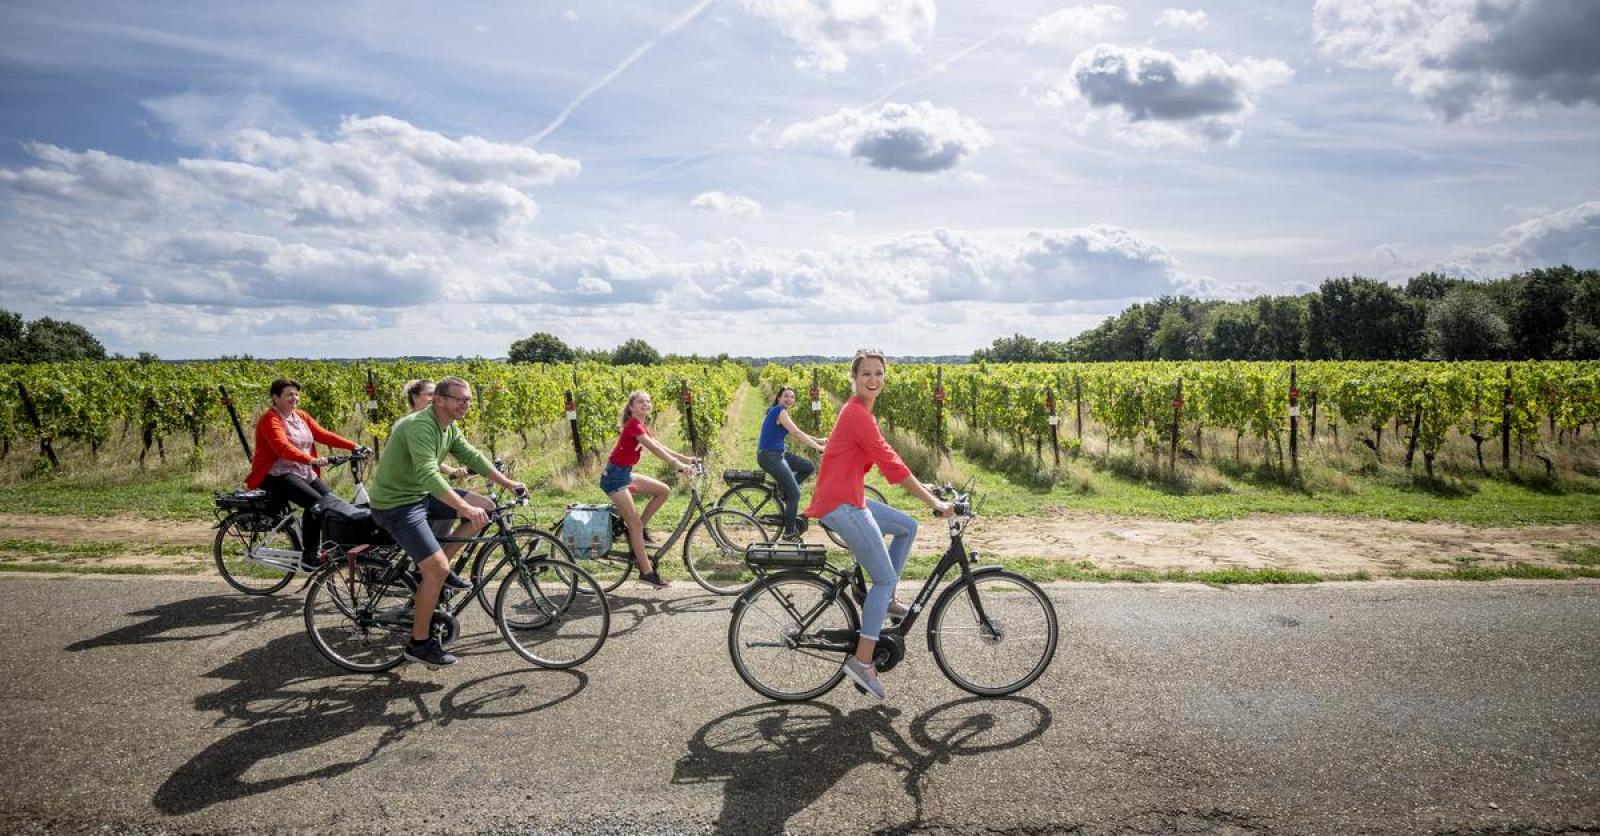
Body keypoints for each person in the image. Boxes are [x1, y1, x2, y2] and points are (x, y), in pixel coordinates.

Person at [804, 350, 952, 700]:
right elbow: (891, 463)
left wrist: (924, 488)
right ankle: (863, 661)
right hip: (842, 506)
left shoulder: (858, 411)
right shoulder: (857, 413)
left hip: (848, 497)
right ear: (854, 379)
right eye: (866, 373)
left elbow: (885, 458)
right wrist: (934, 502)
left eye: (879, 373)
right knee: (883, 578)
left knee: (907, 527)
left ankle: (883, 602)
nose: (873, 379)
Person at [368, 376, 525, 669]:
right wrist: (463, 507)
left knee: (487, 507)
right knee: (437, 568)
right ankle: (419, 644)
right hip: (396, 504)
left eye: (468, 399)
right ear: (439, 400)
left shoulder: (448, 426)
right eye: (460, 399)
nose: (466, 404)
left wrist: (508, 482)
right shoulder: (420, 426)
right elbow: (429, 474)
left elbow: (473, 457)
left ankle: (430, 574)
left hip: (419, 496)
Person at [244, 378, 361, 571]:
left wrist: (353, 446)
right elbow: (281, 447)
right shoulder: (270, 419)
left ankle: (329, 548)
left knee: (331, 503)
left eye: (296, 394)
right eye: (289, 394)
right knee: (315, 505)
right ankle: (309, 556)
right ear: (275, 397)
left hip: (302, 472)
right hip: (276, 475)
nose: (295, 398)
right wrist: (310, 459)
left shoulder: (300, 416)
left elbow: (323, 434)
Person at [603, 390, 697, 589]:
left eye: (648, 401)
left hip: (625, 473)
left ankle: (635, 532)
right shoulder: (633, 426)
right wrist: (677, 465)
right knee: (634, 523)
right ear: (631, 407)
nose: (645, 404)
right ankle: (647, 573)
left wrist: (686, 459)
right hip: (614, 477)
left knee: (663, 491)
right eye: (640, 402)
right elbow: (653, 449)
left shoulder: (642, 425)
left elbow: (658, 445)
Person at [404, 379, 495, 515]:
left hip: (428, 489)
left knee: (486, 507)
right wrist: (450, 470)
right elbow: (422, 463)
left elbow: (470, 455)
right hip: (410, 494)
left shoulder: (442, 423)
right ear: (415, 397)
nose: (434, 399)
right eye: (430, 394)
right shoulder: (410, 425)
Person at [756, 386, 827, 540]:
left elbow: (797, 432)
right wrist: (819, 447)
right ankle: (789, 532)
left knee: (808, 467)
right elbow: (796, 433)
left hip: (777, 453)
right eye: (786, 396)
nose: (789, 399)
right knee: (795, 494)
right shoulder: (779, 411)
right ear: (779, 397)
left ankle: (784, 490)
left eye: (792, 397)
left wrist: (819, 440)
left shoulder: (777, 411)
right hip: (771, 456)